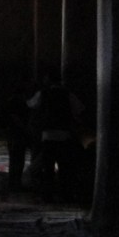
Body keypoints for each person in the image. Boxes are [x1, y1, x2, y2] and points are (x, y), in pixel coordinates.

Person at [33, 68, 85, 203]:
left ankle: (47, 196)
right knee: (65, 168)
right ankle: (65, 195)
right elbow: (79, 110)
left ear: (49, 80)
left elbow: (31, 105)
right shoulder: (68, 95)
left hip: (47, 136)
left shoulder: (43, 94)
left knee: (47, 168)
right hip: (64, 136)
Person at [0, 78, 40, 192]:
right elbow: (15, 118)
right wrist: (26, 129)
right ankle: (15, 183)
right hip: (18, 134)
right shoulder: (18, 103)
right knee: (18, 159)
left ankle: (14, 182)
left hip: (12, 134)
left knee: (15, 159)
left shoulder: (10, 101)